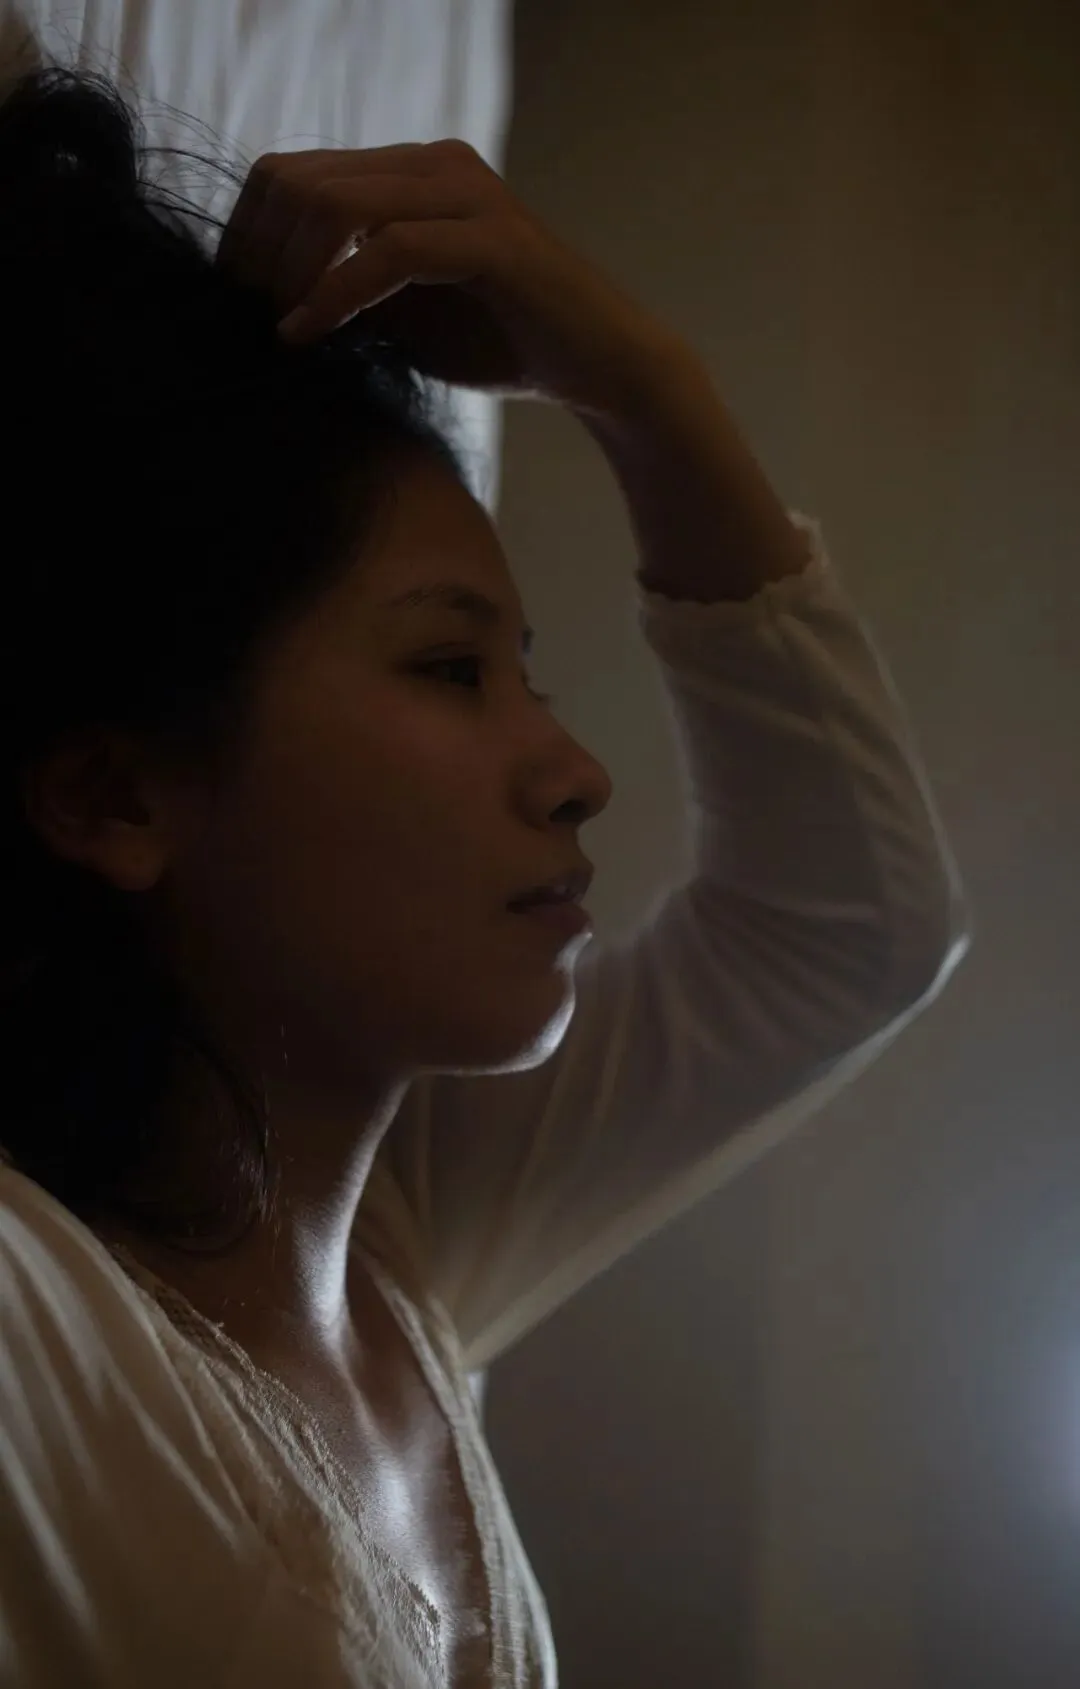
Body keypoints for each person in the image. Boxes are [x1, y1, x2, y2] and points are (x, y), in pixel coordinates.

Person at [0, 61, 966, 1689]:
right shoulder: (36, 1329)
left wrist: (644, 393)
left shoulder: (397, 1244)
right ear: (114, 794)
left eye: (531, 676)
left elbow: (848, 934)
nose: (575, 772)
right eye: (451, 671)